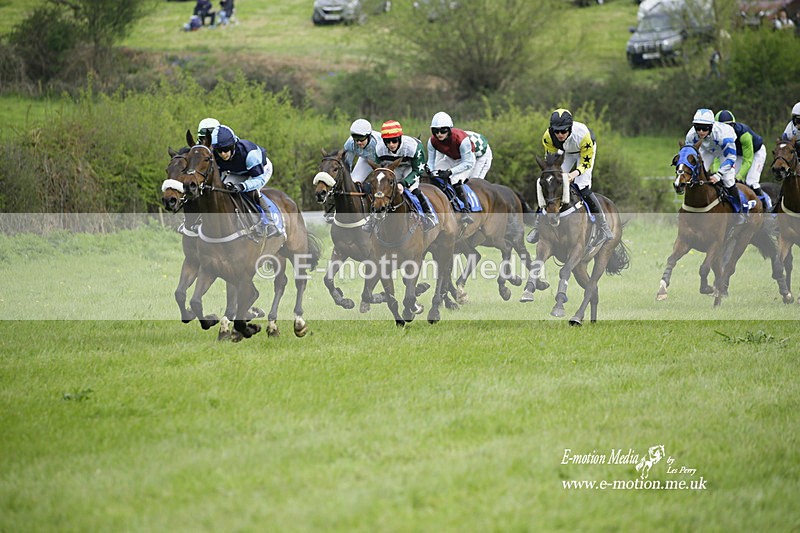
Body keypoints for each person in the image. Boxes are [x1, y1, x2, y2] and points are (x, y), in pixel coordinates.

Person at [526, 108, 613, 246]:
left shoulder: (584, 137)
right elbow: (551, 162)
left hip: (584, 153)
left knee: (582, 187)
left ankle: (603, 226)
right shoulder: (548, 137)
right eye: (557, 131)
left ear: (570, 128)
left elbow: (585, 163)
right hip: (565, 153)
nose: (560, 134)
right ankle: (538, 225)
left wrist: (574, 174)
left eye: (564, 131)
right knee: (551, 183)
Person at [210, 125, 279, 238]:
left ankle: (270, 223)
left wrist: (243, 186)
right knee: (224, 190)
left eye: (226, 149)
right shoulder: (215, 155)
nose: (222, 154)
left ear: (233, 145)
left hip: (261, 170)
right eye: (219, 151)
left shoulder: (249, 154)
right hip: (238, 172)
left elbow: (259, 179)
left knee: (252, 191)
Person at [684, 108, 744, 224]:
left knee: (728, 180)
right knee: (697, 174)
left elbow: (731, 158)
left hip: (724, 151)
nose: (701, 131)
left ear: (711, 127)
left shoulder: (725, 136)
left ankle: (739, 212)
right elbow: (688, 155)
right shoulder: (691, 135)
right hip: (707, 150)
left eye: (705, 128)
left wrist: (719, 175)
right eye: (698, 128)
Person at [375, 120, 435, 231]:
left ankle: (429, 215)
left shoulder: (414, 147)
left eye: (394, 141)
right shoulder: (379, 148)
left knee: (412, 188)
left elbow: (418, 170)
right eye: (387, 142)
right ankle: (373, 218)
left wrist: (403, 183)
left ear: (400, 138)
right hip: (394, 167)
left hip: (411, 167)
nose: (391, 145)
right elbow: (380, 171)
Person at [321, 118, 382, 224]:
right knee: (353, 182)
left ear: (369, 135)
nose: (358, 142)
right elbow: (347, 165)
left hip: (382, 161)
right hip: (366, 159)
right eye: (355, 139)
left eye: (361, 139)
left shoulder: (378, 142)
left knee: (379, 184)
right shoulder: (350, 143)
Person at [713, 110, 770, 210]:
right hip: (737, 154)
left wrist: (739, 176)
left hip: (756, 152)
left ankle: (767, 208)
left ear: (734, 125)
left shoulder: (744, 134)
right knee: (728, 179)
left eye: (729, 126)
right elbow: (718, 158)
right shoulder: (716, 137)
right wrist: (717, 174)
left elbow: (748, 160)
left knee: (751, 182)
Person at [426, 111, 475, 224]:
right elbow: (431, 162)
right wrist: (429, 169)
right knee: (435, 175)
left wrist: (450, 172)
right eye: (435, 131)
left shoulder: (462, 139)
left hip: (467, 161)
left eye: (443, 130)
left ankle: (466, 211)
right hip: (450, 159)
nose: (439, 134)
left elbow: (467, 162)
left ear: (449, 129)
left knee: (454, 179)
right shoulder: (431, 141)